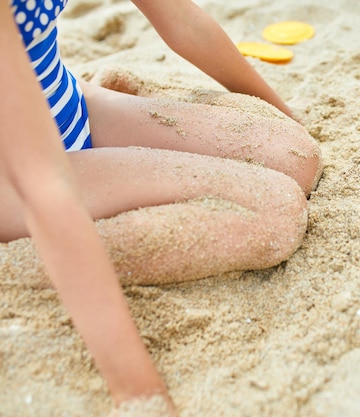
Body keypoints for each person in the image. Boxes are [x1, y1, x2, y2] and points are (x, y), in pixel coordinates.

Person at [0, 0, 321, 415]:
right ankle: (22, 263)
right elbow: (47, 190)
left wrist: (288, 120)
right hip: (16, 177)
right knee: (274, 213)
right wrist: (140, 396)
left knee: (297, 157)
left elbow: (184, 21)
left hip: (65, 105)